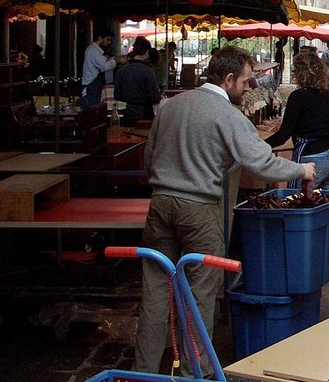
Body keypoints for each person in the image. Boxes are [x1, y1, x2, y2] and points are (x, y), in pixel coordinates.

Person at [135, 45, 316, 376]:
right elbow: (260, 163)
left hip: (160, 204)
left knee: (155, 293)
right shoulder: (228, 115)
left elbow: (149, 158)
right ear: (229, 79)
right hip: (199, 208)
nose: (249, 88)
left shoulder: (171, 106)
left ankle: (143, 371)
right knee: (201, 292)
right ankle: (194, 371)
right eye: (246, 82)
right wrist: (301, 171)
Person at [264, 52, 329, 189]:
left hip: (310, 159)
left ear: (301, 73)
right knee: (328, 203)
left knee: (298, 201)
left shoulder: (297, 97)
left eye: (295, 70)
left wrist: (260, 147)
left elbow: (284, 134)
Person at [114, 36, 162, 125]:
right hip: (145, 114)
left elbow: (117, 95)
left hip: (126, 113)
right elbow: (156, 97)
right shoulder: (148, 71)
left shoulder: (121, 70)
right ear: (147, 52)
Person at [82, 30, 125, 109]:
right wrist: (116, 60)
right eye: (107, 40)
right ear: (100, 38)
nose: (109, 43)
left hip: (94, 87)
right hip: (91, 88)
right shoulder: (93, 50)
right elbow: (104, 67)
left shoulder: (96, 51)